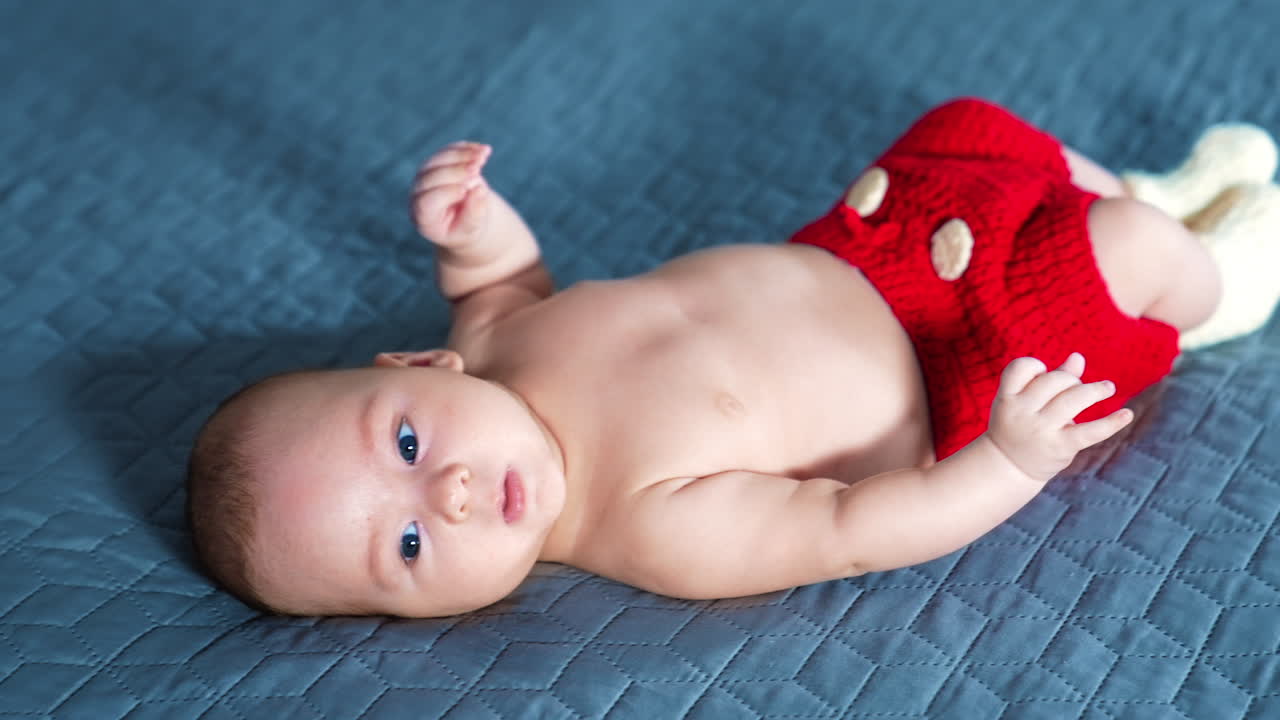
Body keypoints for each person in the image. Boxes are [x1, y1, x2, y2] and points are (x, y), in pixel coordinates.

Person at [186, 98, 1280, 618]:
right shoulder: (646, 523)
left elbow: (500, 279)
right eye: (412, 543)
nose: (455, 491)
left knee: (968, 128)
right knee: (1127, 254)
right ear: (420, 614)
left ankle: (1144, 200)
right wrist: (1006, 460)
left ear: (419, 369)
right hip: (965, 356)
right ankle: (1217, 280)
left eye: (410, 444)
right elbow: (849, 533)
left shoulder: (493, 338)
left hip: (865, 238)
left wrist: (470, 225)